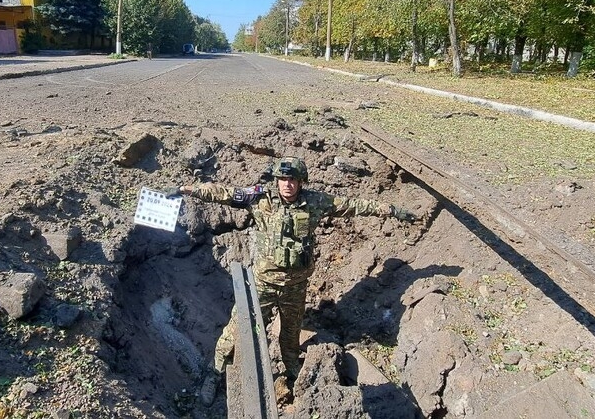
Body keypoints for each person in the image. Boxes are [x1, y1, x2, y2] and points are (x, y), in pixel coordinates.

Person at [168, 156, 418, 402]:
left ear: (301, 182)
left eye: (293, 179)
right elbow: (222, 192)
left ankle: (292, 373)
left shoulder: (315, 203)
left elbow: (353, 205)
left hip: (295, 288)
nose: (287, 184)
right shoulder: (259, 198)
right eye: (283, 179)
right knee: (236, 331)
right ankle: (215, 373)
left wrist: (391, 210)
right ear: (276, 181)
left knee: (290, 334)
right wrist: (185, 189)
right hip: (263, 285)